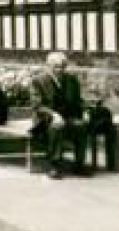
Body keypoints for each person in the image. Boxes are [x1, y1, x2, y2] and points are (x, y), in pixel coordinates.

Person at [31, 51, 91, 179]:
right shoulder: (38, 81)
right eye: (56, 66)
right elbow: (37, 105)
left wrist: (85, 112)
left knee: (81, 126)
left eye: (62, 66)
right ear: (48, 66)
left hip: (68, 117)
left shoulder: (71, 80)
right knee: (56, 126)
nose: (59, 70)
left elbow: (78, 101)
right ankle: (54, 165)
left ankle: (79, 164)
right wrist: (53, 114)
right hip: (45, 119)